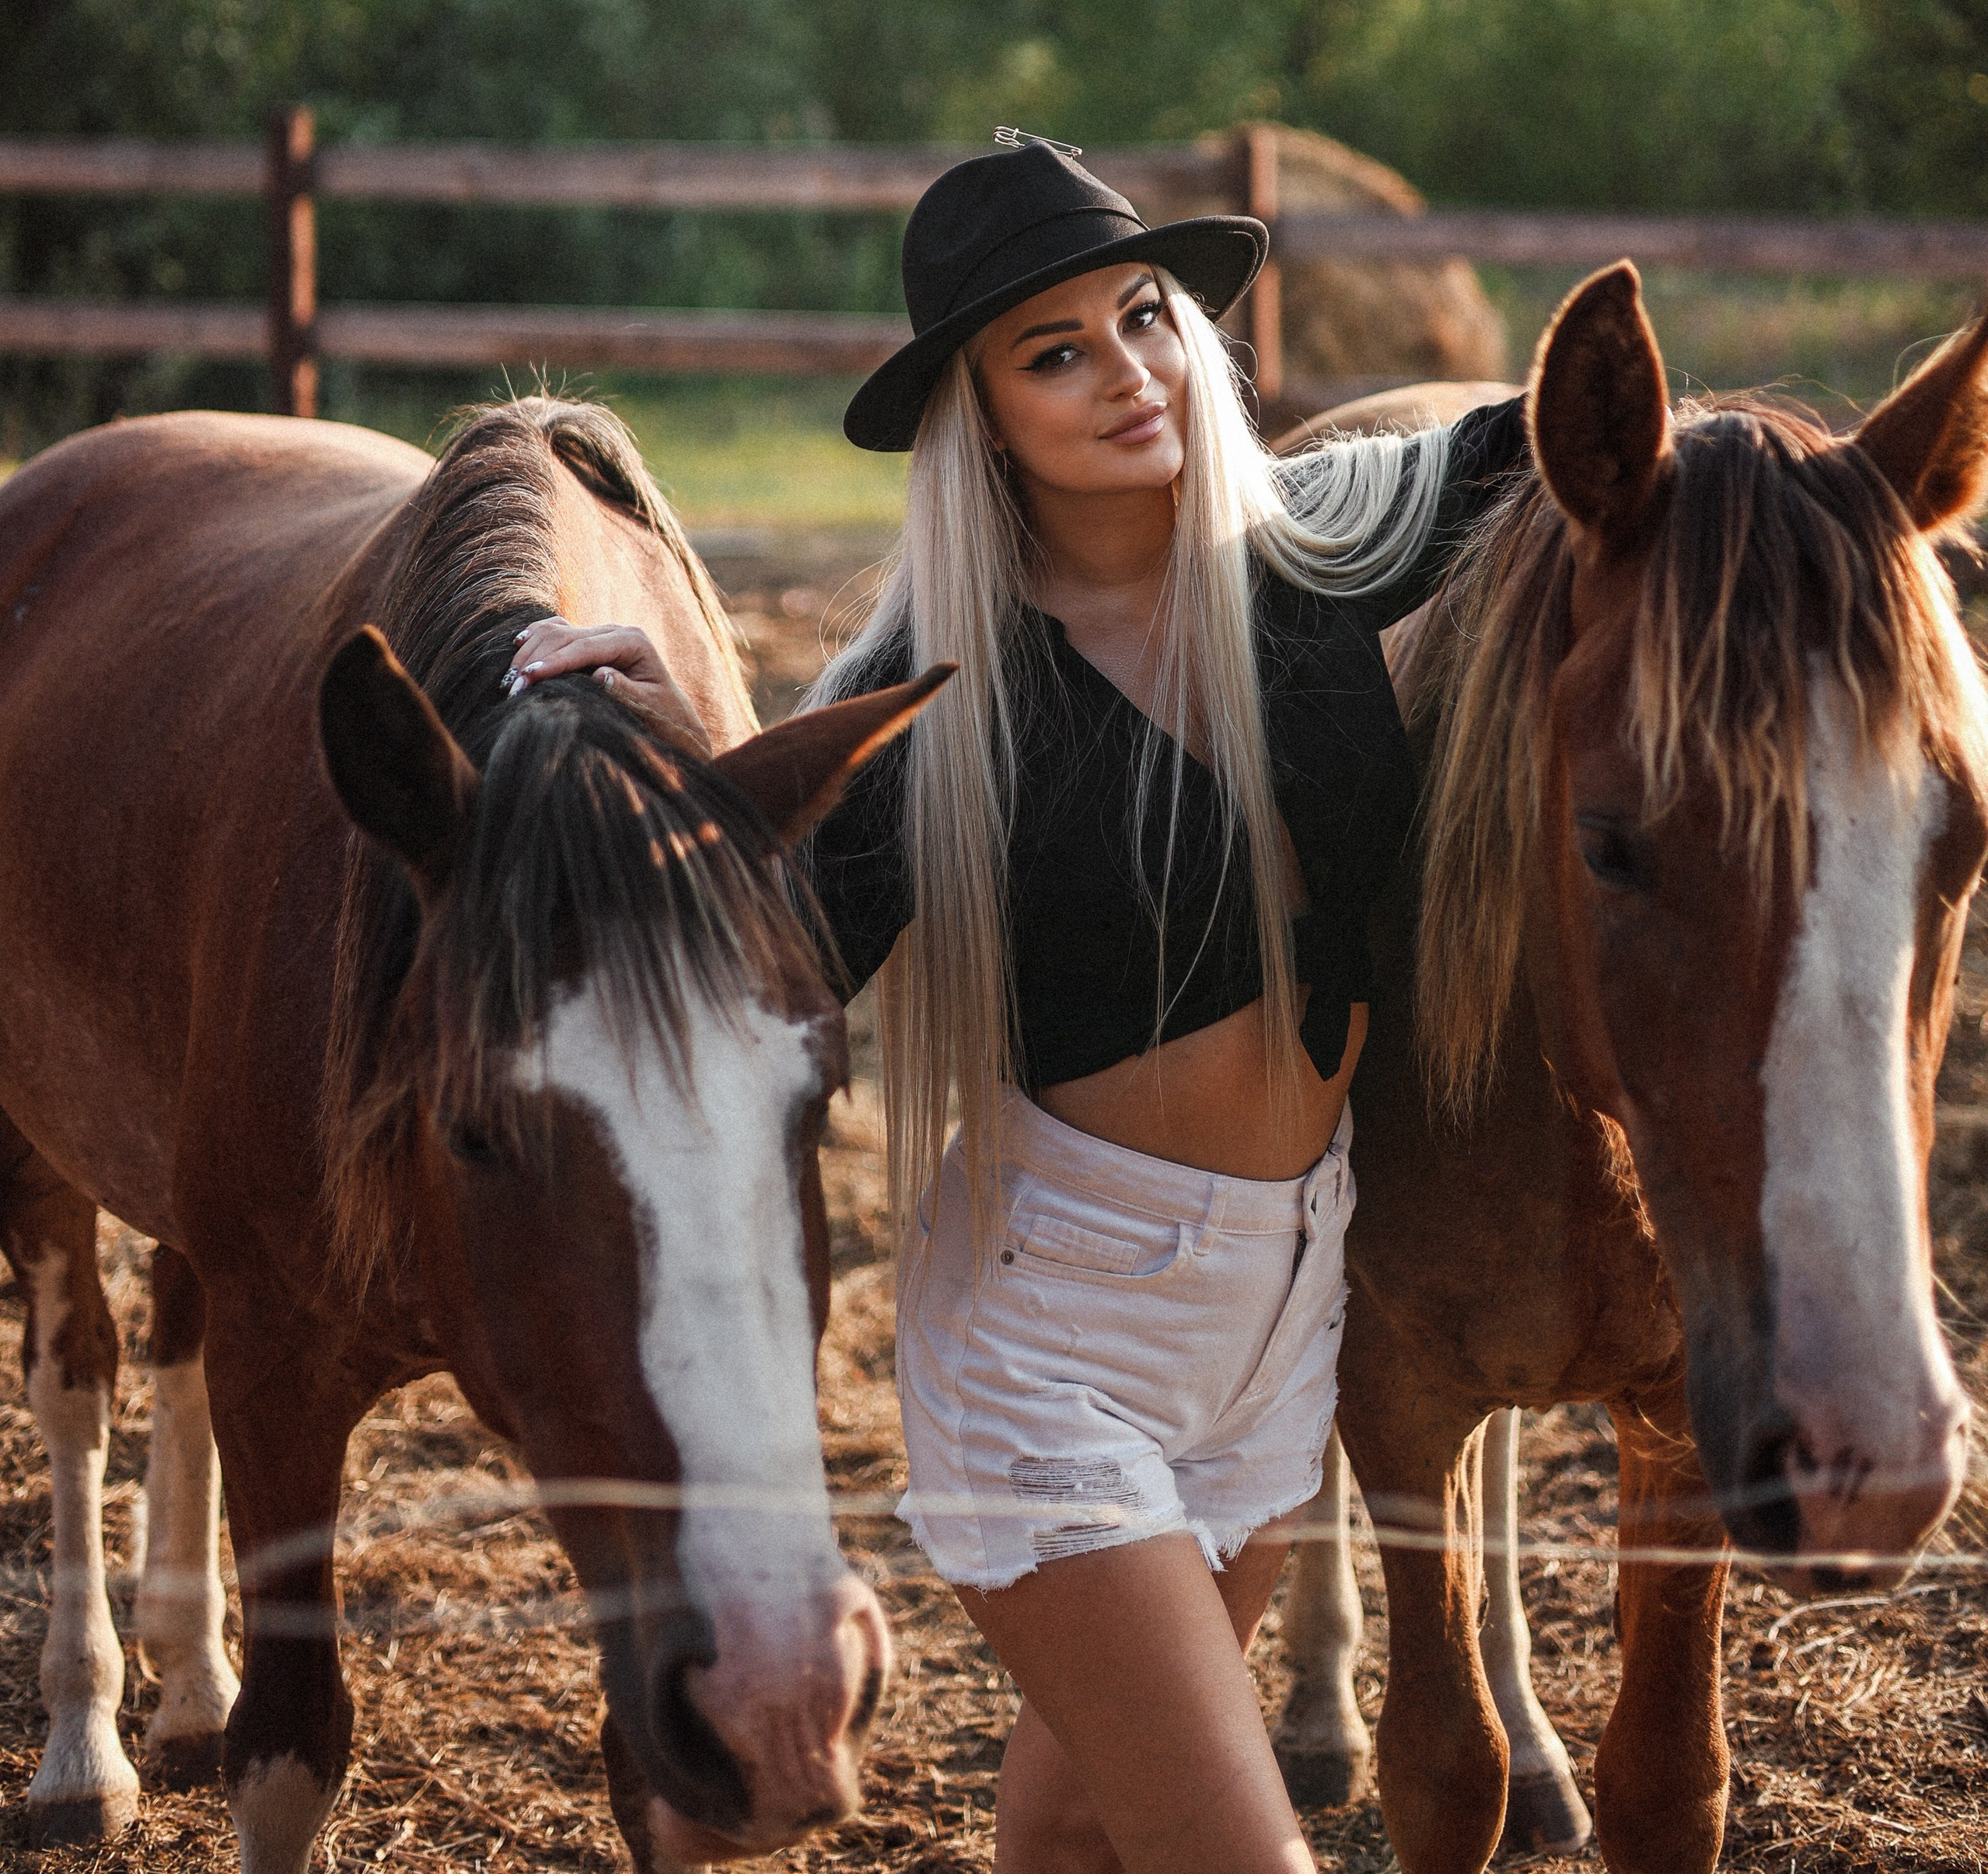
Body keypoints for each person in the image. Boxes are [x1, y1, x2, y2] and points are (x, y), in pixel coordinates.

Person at [508, 131, 1524, 1874]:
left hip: (1287, 1310)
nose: (1127, 371)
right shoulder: (935, 711)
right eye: (1055, 352)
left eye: (1142, 318)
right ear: (980, 419)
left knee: (1069, 1839)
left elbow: (1573, 440)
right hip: (1058, 1339)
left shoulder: (1322, 559)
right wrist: (679, 739)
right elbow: (738, 971)